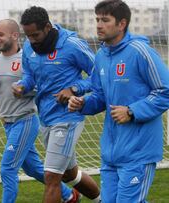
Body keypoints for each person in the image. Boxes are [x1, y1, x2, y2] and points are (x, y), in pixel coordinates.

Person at [68, 0, 169, 202]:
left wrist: (131, 111)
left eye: (105, 20)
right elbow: (99, 95)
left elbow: (165, 91)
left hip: (139, 151)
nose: (98, 24)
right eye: (97, 19)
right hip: (111, 153)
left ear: (121, 24)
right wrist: (83, 104)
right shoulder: (101, 55)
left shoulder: (140, 51)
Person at [12, 6, 101, 203]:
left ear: (48, 27)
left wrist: (74, 89)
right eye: (28, 36)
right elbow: (29, 75)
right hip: (45, 116)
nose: (32, 40)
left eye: (35, 35)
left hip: (69, 116)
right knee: (70, 174)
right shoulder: (28, 46)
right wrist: (23, 85)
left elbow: (99, 75)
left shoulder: (72, 44)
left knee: (52, 176)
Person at [0, 19, 80, 203]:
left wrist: (24, 89)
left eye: (0, 34)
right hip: (7, 123)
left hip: (25, 120)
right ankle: (69, 195)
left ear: (14, 36)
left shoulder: (27, 58)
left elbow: (42, 88)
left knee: (8, 169)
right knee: (33, 169)